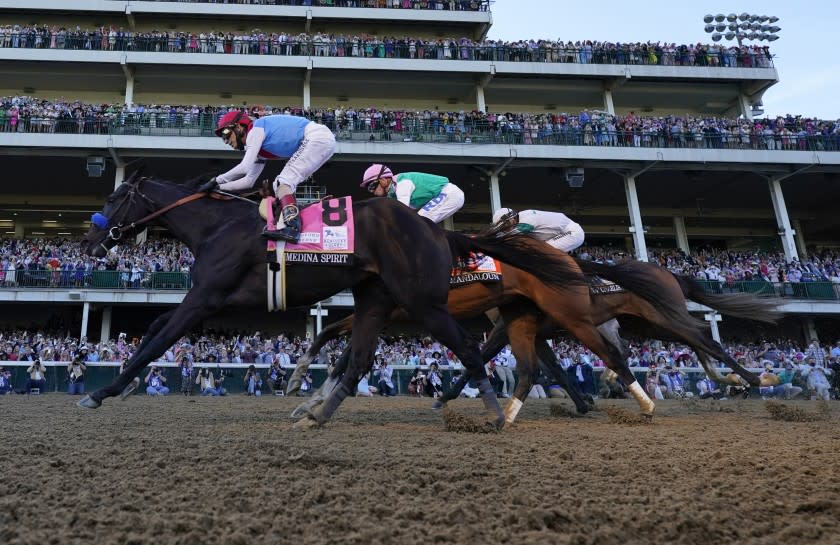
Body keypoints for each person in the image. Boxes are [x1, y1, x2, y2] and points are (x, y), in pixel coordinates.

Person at [200, 111, 336, 242]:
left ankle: (292, 227)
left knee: (282, 182)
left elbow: (244, 167)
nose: (226, 141)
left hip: (316, 137)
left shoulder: (255, 130)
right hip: (320, 139)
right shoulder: (258, 149)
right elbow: (248, 181)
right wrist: (219, 187)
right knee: (282, 184)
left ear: (239, 127)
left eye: (226, 134)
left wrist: (216, 180)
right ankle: (293, 222)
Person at [359, 164, 465, 224]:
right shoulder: (392, 194)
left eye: (372, 186)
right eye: (369, 189)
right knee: (417, 220)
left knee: (418, 221)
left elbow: (402, 211)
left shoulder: (402, 183)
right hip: (447, 195)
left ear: (383, 180)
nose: (372, 191)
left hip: (450, 193)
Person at [490, 208, 584, 253]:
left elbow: (512, 236)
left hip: (572, 232)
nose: (505, 229)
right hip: (560, 233)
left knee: (542, 250)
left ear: (511, 218)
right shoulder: (522, 216)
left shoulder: (527, 220)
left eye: (505, 226)